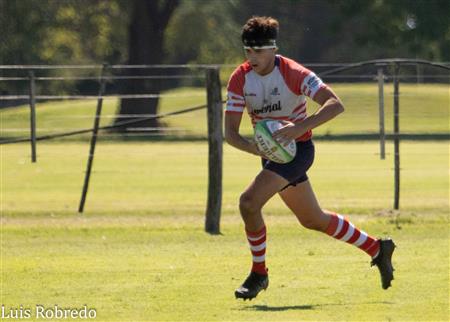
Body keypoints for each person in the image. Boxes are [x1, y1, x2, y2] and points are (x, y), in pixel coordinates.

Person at [224, 16, 396, 301]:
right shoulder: (240, 78)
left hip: (298, 151)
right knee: (313, 219)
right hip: (273, 156)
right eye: (247, 50)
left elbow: (335, 104)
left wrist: (299, 128)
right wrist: (256, 149)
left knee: (248, 202)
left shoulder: (293, 72)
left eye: (258, 50)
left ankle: (259, 273)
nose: (251, 56)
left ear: (273, 49)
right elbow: (230, 134)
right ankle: (377, 248)